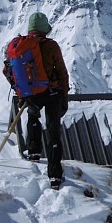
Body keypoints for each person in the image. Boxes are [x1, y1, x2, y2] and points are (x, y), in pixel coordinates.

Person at [20, 11, 70, 190]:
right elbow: (62, 72)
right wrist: (65, 95)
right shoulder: (51, 46)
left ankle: (33, 152)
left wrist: (21, 92)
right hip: (52, 92)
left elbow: (10, 69)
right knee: (53, 130)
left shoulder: (21, 45)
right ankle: (55, 176)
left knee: (33, 118)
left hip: (32, 93)